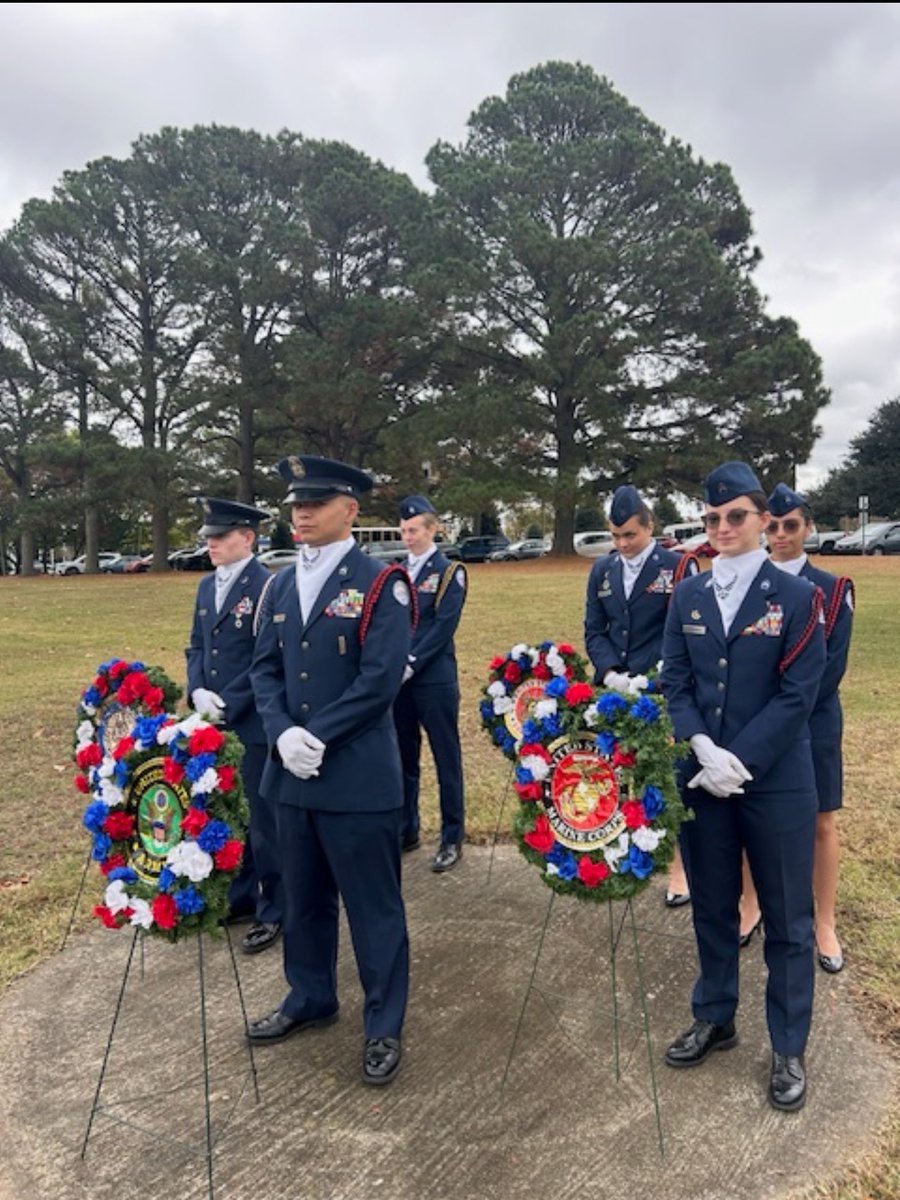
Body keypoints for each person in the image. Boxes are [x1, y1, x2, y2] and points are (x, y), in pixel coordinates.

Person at [660, 461, 826, 1112]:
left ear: (762, 522)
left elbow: (798, 693)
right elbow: (675, 681)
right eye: (712, 519)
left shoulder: (796, 598)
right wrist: (703, 747)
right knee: (713, 903)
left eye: (736, 516)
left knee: (787, 917)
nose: (723, 527)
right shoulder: (689, 595)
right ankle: (716, 1014)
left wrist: (741, 758)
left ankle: (787, 1045)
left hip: (777, 781)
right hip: (705, 777)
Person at [248, 454, 413, 1087]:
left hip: (355, 777)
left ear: (351, 509)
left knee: (374, 909)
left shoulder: (380, 584)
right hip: (291, 776)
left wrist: (315, 734)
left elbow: (379, 680)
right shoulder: (281, 585)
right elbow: (263, 669)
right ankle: (310, 996)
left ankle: (383, 1024)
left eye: (315, 503)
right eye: (295, 505)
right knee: (304, 898)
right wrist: (282, 732)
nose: (302, 514)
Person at [737, 483, 854, 972]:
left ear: (808, 528)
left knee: (820, 823)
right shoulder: (745, 582)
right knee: (748, 819)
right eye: (774, 525)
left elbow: (830, 668)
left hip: (813, 723)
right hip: (758, 726)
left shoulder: (832, 588)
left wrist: (785, 715)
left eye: (791, 525)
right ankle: (750, 904)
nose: (781, 535)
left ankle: (823, 921)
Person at [584, 484, 700, 906]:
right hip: (618, 691)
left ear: (649, 527)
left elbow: (688, 628)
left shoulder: (679, 566)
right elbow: (594, 630)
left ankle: (680, 868)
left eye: (630, 535)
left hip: (664, 689)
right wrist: (611, 674)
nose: (622, 544)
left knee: (671, 778)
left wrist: (657, 677)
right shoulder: (602, 571)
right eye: (615, 537)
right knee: (624, 773)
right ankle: (629, 854)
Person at [185, 497, 283, 955]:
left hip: (254, 720)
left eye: (220, 536)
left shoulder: (266, 587)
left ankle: (275, 907)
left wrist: (232, 701)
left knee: (264, 822)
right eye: (208, 537)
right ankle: (242, 895)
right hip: (215, 719)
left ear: (248, 537)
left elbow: (269, 656)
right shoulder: (207, 587)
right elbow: (197, 647)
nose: (211, 544)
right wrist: (197, 691)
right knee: (230, 813)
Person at [392, 495, 467, 872]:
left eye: (414, 529)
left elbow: (442, 626)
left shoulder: (450, 571)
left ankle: (452, 836)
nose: (408, 536)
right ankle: (408, 828)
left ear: (432, 529)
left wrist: (412, 662)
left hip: (433, 679)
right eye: (404, 530)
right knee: (404, 757)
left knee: (445, 759)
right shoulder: (397, 571)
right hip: (400, 682)